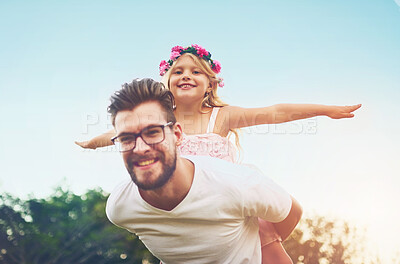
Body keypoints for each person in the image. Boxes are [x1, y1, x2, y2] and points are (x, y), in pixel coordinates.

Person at [76, 45, 361, 264]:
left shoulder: (222, 117)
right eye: (178, 71)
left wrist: (324, 110)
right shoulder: (156, 124)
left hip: (229, 206)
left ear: (210, 83)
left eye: (196, 71)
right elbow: (120, 133)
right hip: (186, 213)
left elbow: (275, 111)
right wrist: (92, 143)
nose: (186, 74)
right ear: (168, 82)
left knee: (266, 240)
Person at [105, 78, 302, 264]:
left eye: (153, 132)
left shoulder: (237, 183)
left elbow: (291, 213)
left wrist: (261, 244)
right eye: (126, 138)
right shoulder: (120, 207)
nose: (140, 148)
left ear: (177, 135)